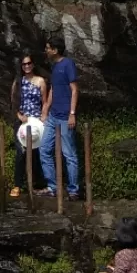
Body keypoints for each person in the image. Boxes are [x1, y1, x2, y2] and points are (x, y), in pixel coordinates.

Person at [39, 34, 80, 200]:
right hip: (53, 116)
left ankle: (73, 190)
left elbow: (75, 90)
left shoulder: (68, 64)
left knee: (69, 154)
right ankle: (53, 187)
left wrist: (72, 114)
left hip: (65, 116)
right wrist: (45, 110)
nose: (46, 50)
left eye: (48, 48)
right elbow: (53, 90)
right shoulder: (54, 67)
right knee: (44, 150)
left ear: (55, 50)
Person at [10, 49, 47, 197]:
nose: (26, 66)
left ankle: (37, 184)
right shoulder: (17, 82)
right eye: (24, 64)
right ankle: (17, 184)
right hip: (22, 121)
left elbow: (44, 102)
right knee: (21, 152)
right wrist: (19, 116)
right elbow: (13, 101)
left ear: (33, 64)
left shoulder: (40, 81)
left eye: (29, 63)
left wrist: (44, 116)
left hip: (37, 122)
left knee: (36, 153)